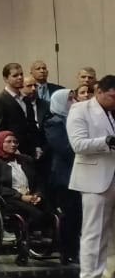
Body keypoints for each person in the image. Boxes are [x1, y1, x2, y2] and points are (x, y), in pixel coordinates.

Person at [67, 75, 115, 278]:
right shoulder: (79, 110)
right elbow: (78, 144)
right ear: (99, 92)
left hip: (112, 177)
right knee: (94, 232)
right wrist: (107, 141)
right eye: (112, 96)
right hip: (95, 179)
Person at [0, 131, 50, 264]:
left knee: (51, 210)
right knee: (36, 213)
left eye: (15, 142)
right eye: (9, 142)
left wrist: (37, 195)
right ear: (0, 143)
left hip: (30, 195)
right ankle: (26, 242)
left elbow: (38, 181)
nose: (13, 145)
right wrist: (20, 196)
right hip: (8, 198)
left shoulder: (26, 159)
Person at [45, 86, 83, 265]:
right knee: (69, 215)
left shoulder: (76, 119)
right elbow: (64, 148)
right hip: (64, 175)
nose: (74, 102)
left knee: (79, 215)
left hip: (80, 173)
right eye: (69, 99)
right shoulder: (54, 122)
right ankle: (67, 251)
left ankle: (77, 250)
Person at [0, 62, 42, 159]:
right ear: (6, 79)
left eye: (21, 74)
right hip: (12, 151)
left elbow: (32, 125)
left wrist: (37, 145)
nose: (20, 77)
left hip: (30, 150)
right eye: (15, 75)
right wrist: (10, 148)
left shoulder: (26, 99)